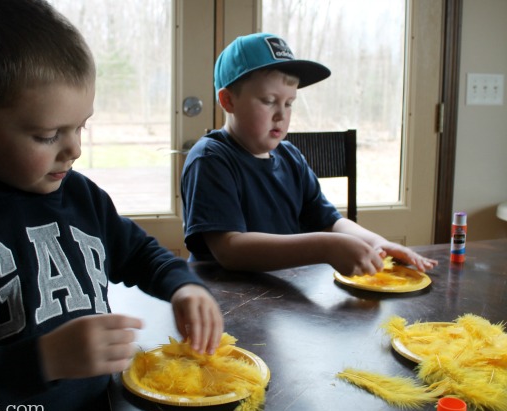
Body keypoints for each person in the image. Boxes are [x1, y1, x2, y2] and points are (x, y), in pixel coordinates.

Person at [0, 1, 223, 411]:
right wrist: (42, 360)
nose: (75, 149)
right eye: (47, 135)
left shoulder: (81, 196)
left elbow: (138, 252)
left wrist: (182, 287)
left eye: (81, 126)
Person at [181, 32, 437, 276]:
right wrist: (326, 247)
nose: (281, 114)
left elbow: (330, 222)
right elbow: (230, 249)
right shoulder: (210, 159)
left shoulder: (290, 157)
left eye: (289, 103)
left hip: (283, 296)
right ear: (228, 101)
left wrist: (379, 243)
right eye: (269, 100)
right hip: (226, 303)